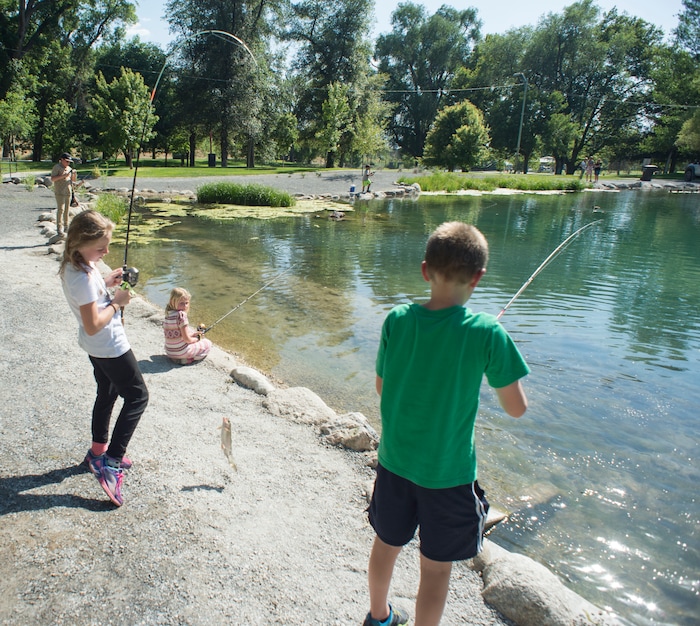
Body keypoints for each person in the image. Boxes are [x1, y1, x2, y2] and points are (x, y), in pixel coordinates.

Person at [364, 222, 530, 626]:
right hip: (449, 477)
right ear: (479, 277)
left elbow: (382, 388)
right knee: (436, 569)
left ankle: (379, 616)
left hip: (394, 464)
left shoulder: (397, 319)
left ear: (425, 271)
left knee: (386, 545)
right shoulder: (487, 331)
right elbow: (516, 409)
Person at [59, 210, 149, 507]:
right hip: (109, 345)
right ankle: (111, 464)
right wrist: (116, 301)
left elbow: (92, 292)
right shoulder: (82, 277)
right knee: (137, 397)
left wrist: (108, 281)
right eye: (101, 247)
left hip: (96, 349)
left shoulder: (81, 266)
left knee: (108, 392)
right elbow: (93, 322)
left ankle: (97, 452)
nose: (106, 252)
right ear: (81, 243)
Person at [163, 287, 213, 365]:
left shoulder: (168, 314)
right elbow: (187, 340)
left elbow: (179, 334)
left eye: (186, 303)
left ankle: (178, 358)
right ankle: (188, 359)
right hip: (181, 352)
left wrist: (193, 334)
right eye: (181, 303)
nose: (185, 306)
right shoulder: (181, 315)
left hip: (169, 352)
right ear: (172, 302)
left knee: (191, 332)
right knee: (208, 343)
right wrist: (197, 338)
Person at [50, 152, 77, 237]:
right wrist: (63, 176)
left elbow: (73, 181)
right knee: (60, 209)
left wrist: (74, 175)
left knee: (67, 210)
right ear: (61, 160)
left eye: (69, 162)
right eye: (66, 161)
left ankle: (66, 226)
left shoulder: (69, 168)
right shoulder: (57, 167)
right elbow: (53, 179)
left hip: (68, 192)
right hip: (59, 192)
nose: (68, 163)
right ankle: (59, 228)